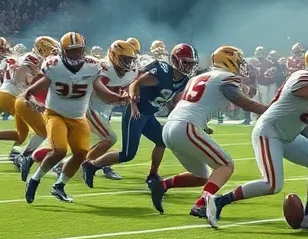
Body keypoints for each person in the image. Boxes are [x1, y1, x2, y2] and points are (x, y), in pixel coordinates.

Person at [207, 45, 308, 228]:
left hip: (289, 136)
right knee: (272, 184)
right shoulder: (302, 77)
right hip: (269, 131)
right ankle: (218, 202)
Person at [162, 45, 267, 220]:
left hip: (170, 126)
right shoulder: (225, 78)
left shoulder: (199, 77)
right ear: (228, 61)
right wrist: (268, 109)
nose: (241, 65)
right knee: (225, 165)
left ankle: (162, 185)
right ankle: (201, 204)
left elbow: (183, 102)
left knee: (202, 176)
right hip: (186, 126)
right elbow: (244, 103)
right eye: (238, 61)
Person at [81, 43, 197, 193]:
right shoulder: (163, 73)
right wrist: (134, 106)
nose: (189, 66)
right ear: (175, 60)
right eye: (186, 62)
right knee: (127, 155)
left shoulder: (184, 80)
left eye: (191, 63)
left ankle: (153, 174)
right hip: (136, 113)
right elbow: (135, 83)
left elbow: (176, 102)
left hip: (148, 115)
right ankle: (91, 165)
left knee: (162, 141)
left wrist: (191, 118)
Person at [22, 32, 123, 204]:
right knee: (60, 150)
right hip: (56, 114)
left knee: (81, 153)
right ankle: (35, 179)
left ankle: (59, 185)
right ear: (62, 51)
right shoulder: (54, 66)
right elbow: (30, 91)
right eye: (72, 51)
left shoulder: (92, 66)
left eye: (79, 50)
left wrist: (119, 98)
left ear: (84, 50)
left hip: (78, 117)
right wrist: (32, 102)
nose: (76, 55)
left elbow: (101, 91)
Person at [0, 37, 59, 164]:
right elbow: (20, 78)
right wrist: (39, 78)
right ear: (42, 49)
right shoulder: (32, 59)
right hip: (14, 95)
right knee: (42, 131)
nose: (53, 54)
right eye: (51, 50)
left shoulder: (33, 59)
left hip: (13, 95)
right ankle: (23, 157)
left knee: (22, 134)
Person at [82, 40, 141, 180]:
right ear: (114, 56)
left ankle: (101, 165)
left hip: (106, 110)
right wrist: (119, 98)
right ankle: (79, 165)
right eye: (124, 59)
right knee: (109, 138)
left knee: (102, 141)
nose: (128, 63)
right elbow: (101, 90)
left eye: (130, 60)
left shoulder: (131, 72)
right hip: (90, 107)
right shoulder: (104, 68)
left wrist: (126, 95)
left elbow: (126, 87)